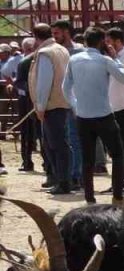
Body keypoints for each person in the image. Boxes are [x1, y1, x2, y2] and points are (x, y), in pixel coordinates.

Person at [64, 26, 124, 205]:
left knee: (87, 159)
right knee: (117, 154)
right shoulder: (105, 60)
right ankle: (116, 196)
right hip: (104, 114)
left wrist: (75, 105)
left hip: (83, 115)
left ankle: (90, 198)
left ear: (85, 40)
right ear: (102, 42)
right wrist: (115, 58)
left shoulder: (73, 60)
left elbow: (65, 88)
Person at [30, 24, 71, 193]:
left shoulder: (45, 53)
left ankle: (63, 181)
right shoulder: (61, 49)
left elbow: (44, 82)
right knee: (55, 143)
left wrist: (40, 106)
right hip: (62, 101)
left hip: (51, 104)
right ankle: (60, 179)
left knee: (55, 144)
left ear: (35, 36)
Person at [104, 28, 124, 193]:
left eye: (110, 42)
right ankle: (118, 180)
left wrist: (113, 58)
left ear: (117, 41)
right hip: (113, 106)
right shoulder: (114, 58)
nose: (108, 45)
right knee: (116, 147)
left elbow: (122, 77)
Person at [52, 19, 83, 189]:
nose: (54, 37)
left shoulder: (78, 51)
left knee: (75, 139)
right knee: (67, 140)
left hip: (75, 101)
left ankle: (76, 175)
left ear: (65, 32)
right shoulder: (57, 52)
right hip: (61, 101)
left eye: (57, 33)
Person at [15, 37, 40, 172]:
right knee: (26, 132)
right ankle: (27, 161)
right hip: (26, 101)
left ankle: (46, 164)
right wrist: (31, 88)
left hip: (37, 100)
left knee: (40, 133)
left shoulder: (40, 60)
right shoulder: (23, 63)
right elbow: (19, 82)